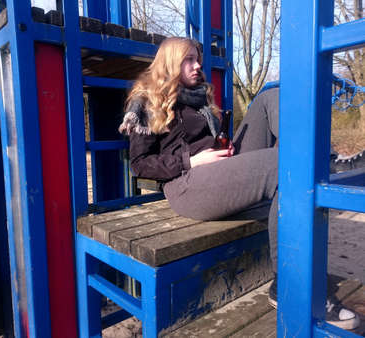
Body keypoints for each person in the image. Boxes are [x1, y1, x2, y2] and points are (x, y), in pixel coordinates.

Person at [119, 37, 360, 330]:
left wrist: (225, 152)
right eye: (189, 60)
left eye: (198, 59)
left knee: (270, 98)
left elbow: (204, 142)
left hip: (216, 172)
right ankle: (288, 287)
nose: (198, 66)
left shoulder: (197, 95)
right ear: (170, 63)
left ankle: (327, 158)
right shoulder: (147, 100)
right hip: (186, 185)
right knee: (284, 165)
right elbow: (139, 164)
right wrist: (190, 161)